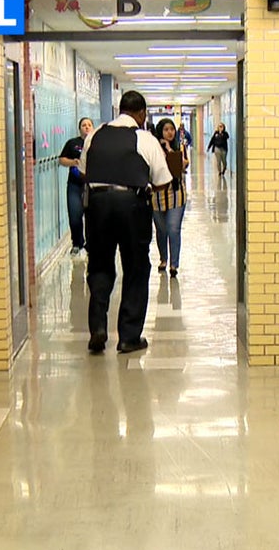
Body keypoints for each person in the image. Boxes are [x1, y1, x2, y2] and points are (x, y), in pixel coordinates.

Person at [79, 91, 172, 354]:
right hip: (131, 206)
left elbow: (84, 171)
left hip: (96, 206)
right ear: (141, 114)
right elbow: (163, 180)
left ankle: (98, 328)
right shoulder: (144, 138)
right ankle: (128, 337)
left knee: (99, 266)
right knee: (136, 267)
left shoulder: (95, 134)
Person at [151, 118, 189, 277]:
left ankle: (174, 264)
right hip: (157, 195)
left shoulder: (179, 147)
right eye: (166, 129)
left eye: (171, 129)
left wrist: (169, 149)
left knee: (173, 229)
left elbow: (183, 164)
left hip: (176, 194)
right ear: (161, 131)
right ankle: (163, 259)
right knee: (161, 230)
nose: (169, 132)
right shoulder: (153, 148)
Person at [59, 117, 94, 255]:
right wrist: (72, 162)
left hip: (91, 185)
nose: (86, 127)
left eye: (89, 125)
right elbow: (61, 160)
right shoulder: (72, 143)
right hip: (75, 184)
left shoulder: (96, 143)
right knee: (75, 215)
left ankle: (91, 244)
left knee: (91, 216)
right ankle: (77, 243)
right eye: (84, 125)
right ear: (79, 128)